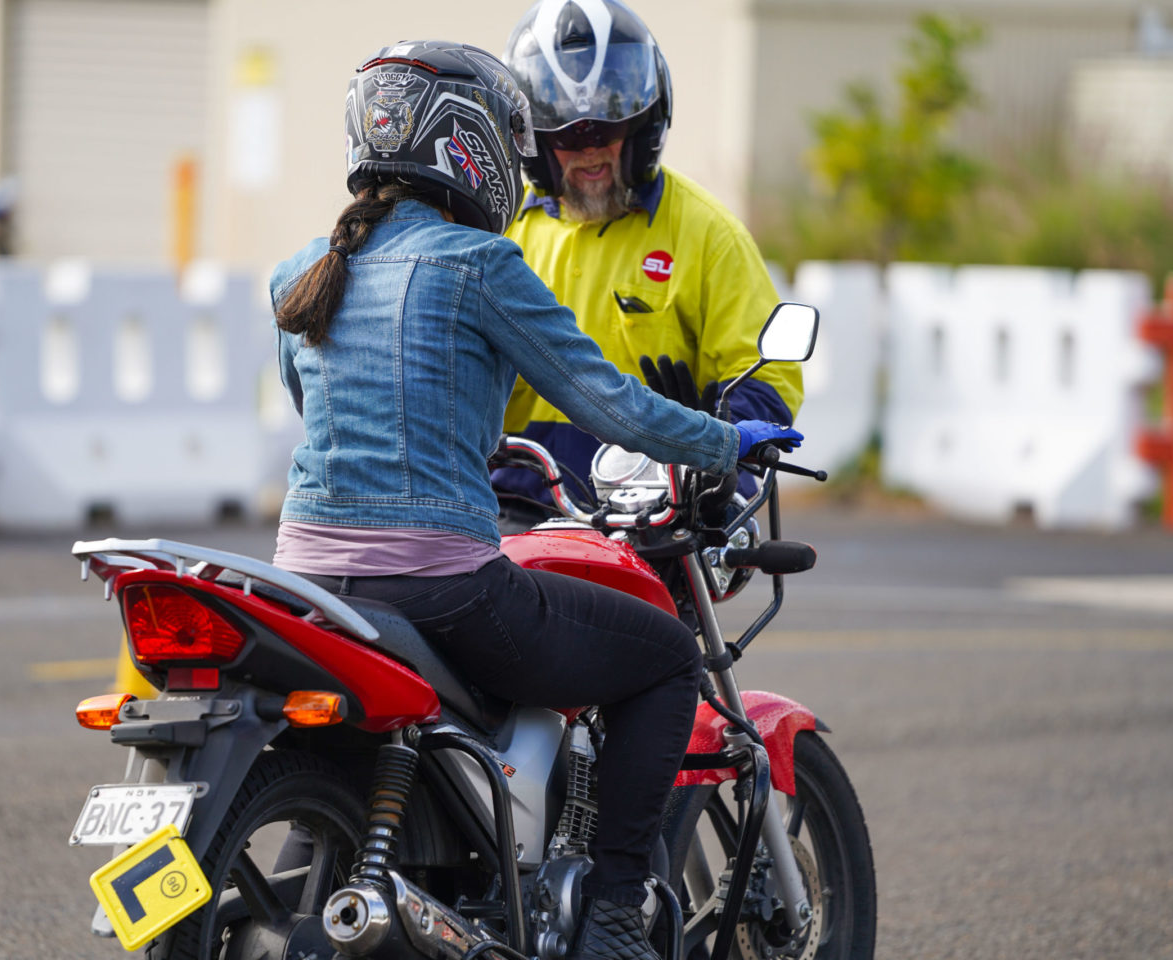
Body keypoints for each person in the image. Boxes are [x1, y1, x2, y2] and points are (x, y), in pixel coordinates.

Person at [267, 41, 802, 960]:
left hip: (305, 582)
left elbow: (314, 407)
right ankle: (613, 922)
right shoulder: (481, 262)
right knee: (668, 660)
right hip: (440, 582)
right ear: (470, 145)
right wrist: (729, 440)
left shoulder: (302, 271)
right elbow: (610, 402)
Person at [494, 0, 804, 528]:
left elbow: (768, 372)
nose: (589, 152)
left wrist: (712, 425)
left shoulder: (707, 231)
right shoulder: (498, 231)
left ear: (643, 130)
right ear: (537, 144)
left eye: (606, 131)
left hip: (658, 512)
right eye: (568, 137)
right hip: (519, 511)